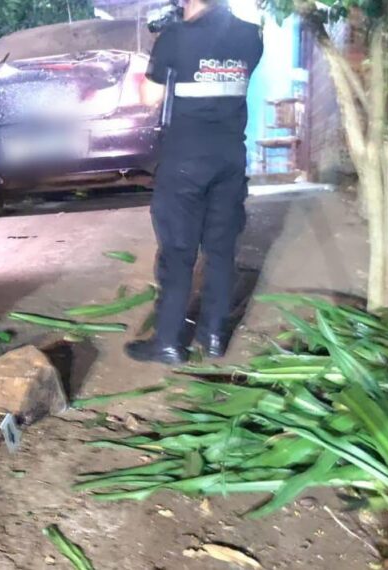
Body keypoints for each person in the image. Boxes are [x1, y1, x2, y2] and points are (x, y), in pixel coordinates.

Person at [125, 0, 264, 364]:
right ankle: (214, 337)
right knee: (220, 250)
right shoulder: (251, 37)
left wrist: (154, 58)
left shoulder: (174, 37)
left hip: (185, 161)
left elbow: (149, 98)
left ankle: (169, 342)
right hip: (229, 158)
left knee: (178, 252)